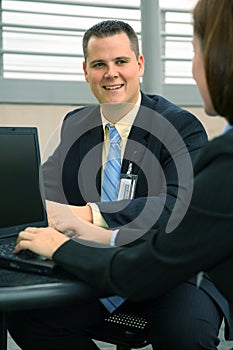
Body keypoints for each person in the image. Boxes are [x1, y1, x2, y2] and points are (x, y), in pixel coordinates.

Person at [9, 15, 233, 350]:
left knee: (185, 334)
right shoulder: (74, 125)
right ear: (85, 71)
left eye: (121, 62)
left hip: (170, 272)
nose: (111, 73)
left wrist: (87, 213)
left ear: (139, 64)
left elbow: (174, 206)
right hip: (91, 266)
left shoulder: (180, 126)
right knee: (28, 318)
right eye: (99, 64)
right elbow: (47, 199)